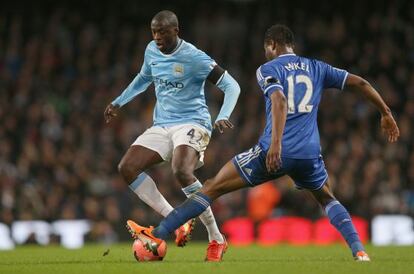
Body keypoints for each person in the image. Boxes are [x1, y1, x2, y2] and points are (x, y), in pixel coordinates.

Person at [126, 24, 400, 262]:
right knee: (326, 198)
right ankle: (360, 252)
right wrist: (386, 113)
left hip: (273, 151)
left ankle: (159, 233)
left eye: (266, 47)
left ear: (272, 45)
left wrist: (277, 145)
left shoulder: (267, 68)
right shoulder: (317, 67)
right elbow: (361, 83)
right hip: (308, 154)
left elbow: (279, 100)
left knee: (212, 187)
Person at [104, 10, 240, 261]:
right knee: (127, 167)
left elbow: (231, 85)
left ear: (176, 31)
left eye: (163, 31)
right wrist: (118, 102)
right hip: (163, 124)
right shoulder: (151, 50)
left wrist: (223, 114)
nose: (157, 36)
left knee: (181, 170)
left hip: (194, 123)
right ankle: (176, 222)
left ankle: (216, 238)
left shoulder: (194, 57)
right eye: (154, 31)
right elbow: (143, 78)